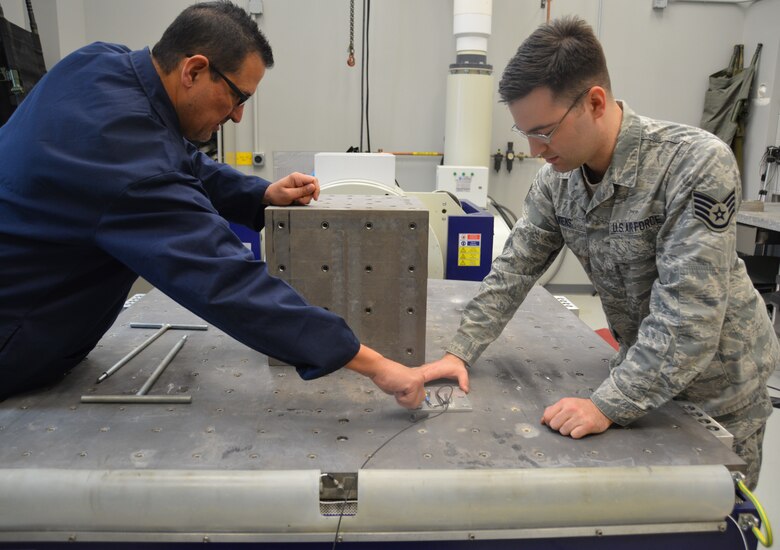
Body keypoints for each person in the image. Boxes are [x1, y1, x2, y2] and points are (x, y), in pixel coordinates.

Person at [0, 1, 444, 408]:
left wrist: (259, 194)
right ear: (193, 70)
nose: (237, 116)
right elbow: (226, 281)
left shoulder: (97, 63)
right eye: (238, 96)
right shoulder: (125, 156)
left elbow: (177, 158)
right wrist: (374, 364)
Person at [423, 16, 777, 489]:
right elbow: (514, 268)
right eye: (525, 132)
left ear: (594, 102)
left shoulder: (693, 163)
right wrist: (459, 352)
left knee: (718, 516)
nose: (533, 150)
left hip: (718, 391)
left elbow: (689, 319)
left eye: (544, 132)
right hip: (638, 367)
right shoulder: (559, 179)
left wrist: (606, 403)